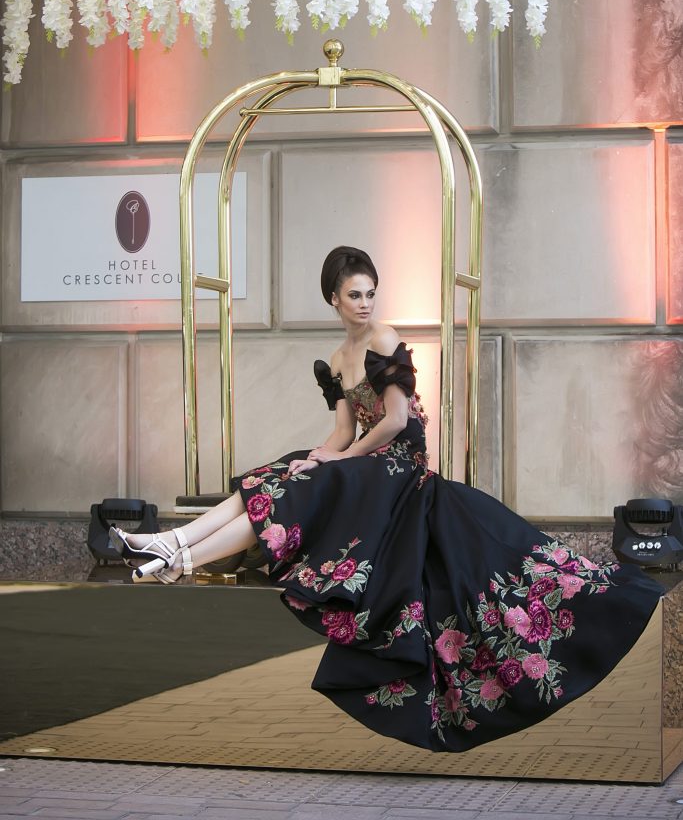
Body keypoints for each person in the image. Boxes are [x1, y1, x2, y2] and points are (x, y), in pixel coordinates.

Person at [111, 246, 663, 752]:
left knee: (300, 482)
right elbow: (341, 432)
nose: (365, 303)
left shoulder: (383, 338)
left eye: (371, 292)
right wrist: (320, 458)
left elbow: (396, 420)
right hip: (367, 461)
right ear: (333, 297)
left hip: (400, 464)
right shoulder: (338, 354)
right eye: (355, 294)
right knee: (279, 473)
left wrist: (339, 461)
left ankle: (178, 556)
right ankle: (174, 546)